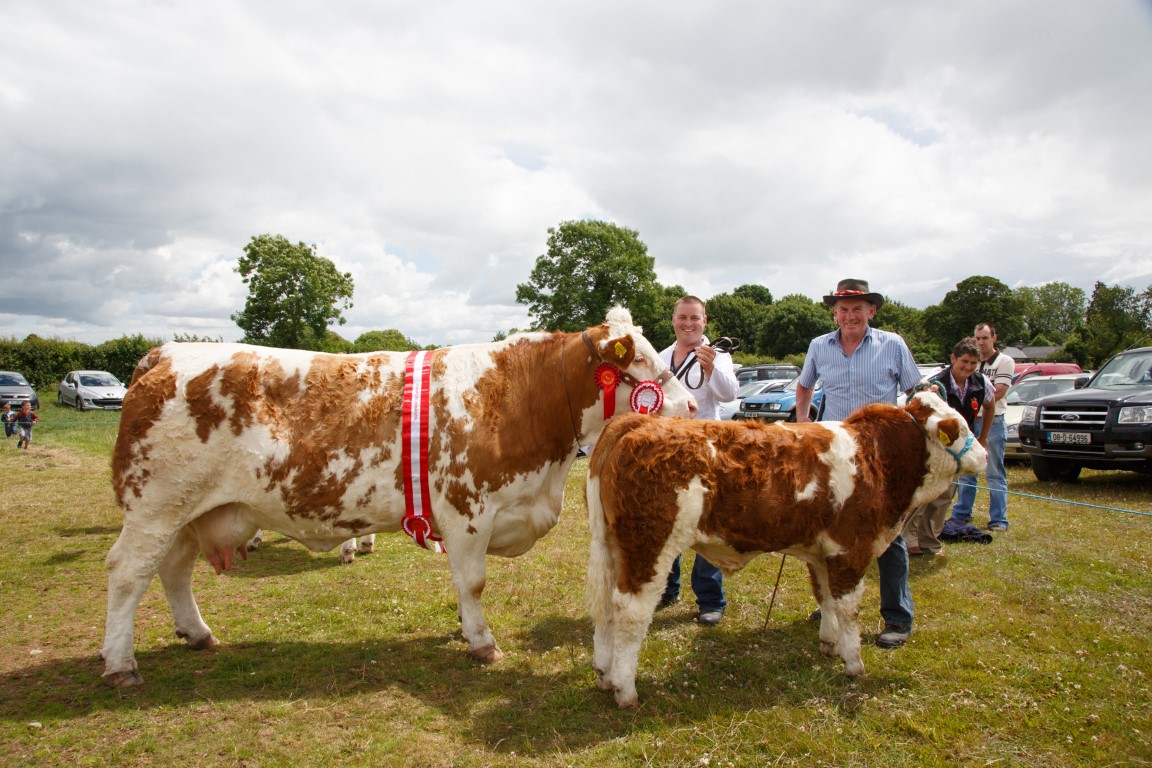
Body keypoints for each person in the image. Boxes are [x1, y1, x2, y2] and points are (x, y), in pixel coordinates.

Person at [795, 278, 921, 649]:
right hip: (833, 455)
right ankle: (830, 605)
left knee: (887, 537)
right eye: (844, 309)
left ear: (872, 311)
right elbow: (804, 385)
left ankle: (897, 617)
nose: (850, 316)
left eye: (857, 309)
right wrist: (803, 425)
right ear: (835, 313)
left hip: (880, 456)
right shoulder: (819, 346)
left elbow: (915, 391)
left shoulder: (892, 344)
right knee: (826, 532)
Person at [658, 295, 739, 626]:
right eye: (682, 317)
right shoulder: (662, 357)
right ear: (674, 320)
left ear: (705, 321)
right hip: (670, 448)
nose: (688, 324)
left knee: (707, 522)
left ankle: (710, 599)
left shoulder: (718, 354)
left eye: (695, 318)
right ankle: (666, 588)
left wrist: (710, 369)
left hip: (707, 447)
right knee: (668, 519)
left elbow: (729, 394)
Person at [903, 337, 994, 556]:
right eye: (964, 361)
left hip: (958, 449)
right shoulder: (935, 382)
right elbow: (913, 408)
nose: (968, 367)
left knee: (945, 495)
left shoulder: (981, 383)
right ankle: (908, 539)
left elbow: (990, 406)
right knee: (923, 494)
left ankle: (930, 541)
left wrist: (983, 437)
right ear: (953, 358)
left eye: (973, 363)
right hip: (933, 448)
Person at [949, 322, 1014, 532]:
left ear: (994, 338)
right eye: (977, 338)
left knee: (994, 471)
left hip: (993, 420)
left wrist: (977, 399)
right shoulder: (972, 361)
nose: (980, 342)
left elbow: (998, 392)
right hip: (970, 421)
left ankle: (998, 519)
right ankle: (961, 514)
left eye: (984, 338)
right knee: (968, 469)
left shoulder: (1004, 361)